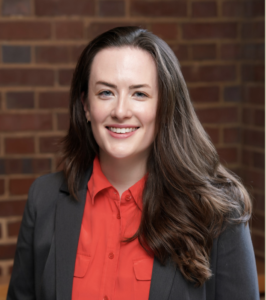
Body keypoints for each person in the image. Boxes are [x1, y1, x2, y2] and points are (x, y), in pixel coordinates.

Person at [7, 26, 259, 300]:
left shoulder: (218, 211)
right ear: (85, 105)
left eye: (139, 94)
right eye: (106, 93)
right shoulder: (43, 200)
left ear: (164, 106)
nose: (120, 111)